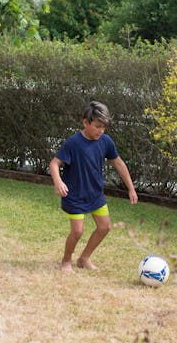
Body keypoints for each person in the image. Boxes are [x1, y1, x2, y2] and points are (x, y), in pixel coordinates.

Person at [49, 101, 138, 272]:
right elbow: (54, 163)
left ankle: (84, 258)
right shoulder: (73, 143)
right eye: (97, 126)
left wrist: (131, 188)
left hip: (95, 194)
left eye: (103, 127)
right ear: (85, 122)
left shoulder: (106, 141)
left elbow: (118, 163)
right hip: (74, 194)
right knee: (77, 232)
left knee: (104, 227)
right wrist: (58, 181)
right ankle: (66, 261)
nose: (100, 131)